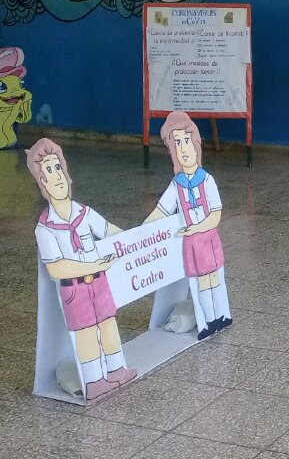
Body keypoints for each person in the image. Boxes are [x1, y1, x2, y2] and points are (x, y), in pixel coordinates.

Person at [29, 138, 137, 402]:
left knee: (108, 324)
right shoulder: (45, 229)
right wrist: (93, 265)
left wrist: (138, 240)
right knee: (87, 332)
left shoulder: (84, 214)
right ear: (41, 183)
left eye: (58, 169)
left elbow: (110, 231)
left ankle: (116, 369)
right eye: (47, 173)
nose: (56, 177)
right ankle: (94, 380)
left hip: (99, 282)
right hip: (75, 289)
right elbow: (57, 268)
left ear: (67, 174)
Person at [145, 112, 232, 340]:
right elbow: (161, 210)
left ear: (196, 144)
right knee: (202, 281)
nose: (183, 149)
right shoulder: (177, 185)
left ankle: (222, 315)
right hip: (192, 245)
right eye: (177, 144)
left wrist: (197, 227)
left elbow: (216, 213)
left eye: (186, 141)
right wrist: (142, 229)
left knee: (215, 278)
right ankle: (211, 320)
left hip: (208, 240)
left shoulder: (207, 180)